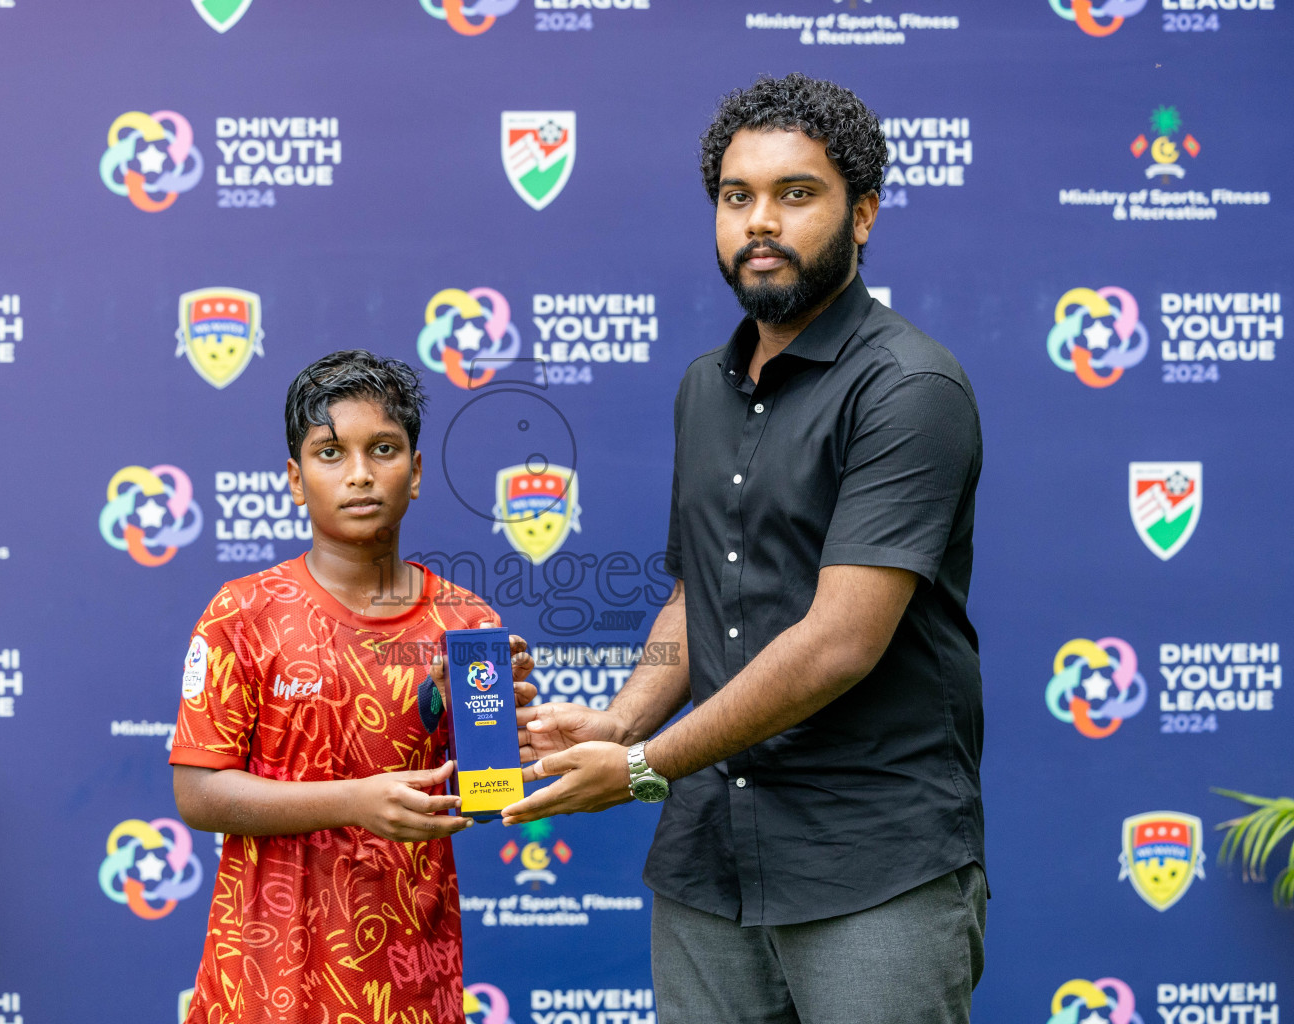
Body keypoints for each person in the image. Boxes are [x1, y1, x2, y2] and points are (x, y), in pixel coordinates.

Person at [502, 74, 987, 1024]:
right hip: (707, 863)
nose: (760, 222)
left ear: (864, 215)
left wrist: (644, 769)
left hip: (869, 864)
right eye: (737, 197)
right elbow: (696, 597)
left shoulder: (910, 387)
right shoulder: (704, 387)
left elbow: (841, 639)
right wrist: (620, 724)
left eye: (796, 194)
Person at [169, 350, 535, 1024]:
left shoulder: (466, 622)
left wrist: (498, 732)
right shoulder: (242, 613)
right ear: (295, 478)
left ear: (417, 472)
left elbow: (487, 796)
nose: (361, 474)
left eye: (384, 449)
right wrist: (352, 802)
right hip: (261, 981)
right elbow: (198, 793)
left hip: (407, 982)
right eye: (331, 453)